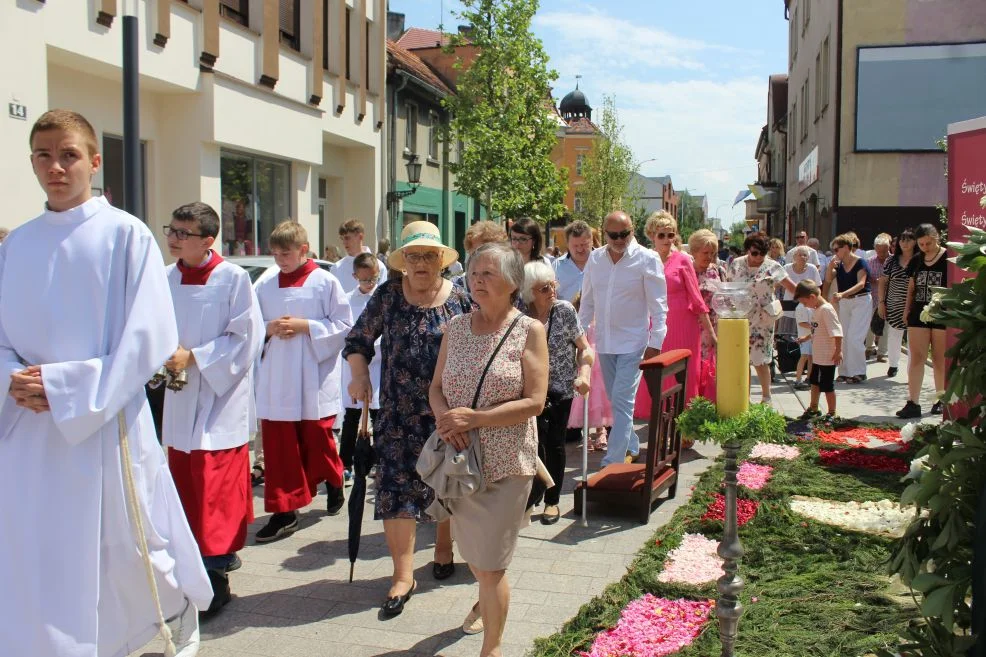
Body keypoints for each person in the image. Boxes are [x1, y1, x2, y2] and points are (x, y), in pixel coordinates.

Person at [1, 109, 211, 656]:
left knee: (128, 550)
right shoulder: (16, 244)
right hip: (31, 431)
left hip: (104, 421)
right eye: (44, 155)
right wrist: (11, 380)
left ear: (94, 161)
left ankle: (153, 630)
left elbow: (148, 336)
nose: (56, 166)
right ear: (31, 163)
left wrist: (66, 388)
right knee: (37, 551)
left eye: (68, 154)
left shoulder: (125, 235)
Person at [343, 221, 471, 613]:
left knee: (446, 481)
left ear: (440, 260)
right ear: (402, 263)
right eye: (413, 256)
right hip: (397, 413)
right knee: (396, 491)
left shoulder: (460, 300)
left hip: (445, 412)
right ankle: (402, 574)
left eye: (428, 256)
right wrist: (360, 375)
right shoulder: (388, 296)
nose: (421, 263)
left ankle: (445, 548)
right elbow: (358, 340)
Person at [429, 242, 548, 653]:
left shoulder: (529, 330)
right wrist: (446, 420)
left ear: (513, 282)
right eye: (474, 273)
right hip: (461, 464)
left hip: (506, 464)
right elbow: (435, 388)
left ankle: (492, 648)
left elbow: (535, 401)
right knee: (479, 560)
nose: (477, 281)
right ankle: (486, 600)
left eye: (488, 274)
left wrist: (473, 419)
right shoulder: (456, 328)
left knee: (491, 566)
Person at [161, 201, 264, 616]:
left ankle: (216, 575)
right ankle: (193, 568)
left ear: (207, 240)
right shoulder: (165, 277)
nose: (173, 238)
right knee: (184, 486)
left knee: (214, 491)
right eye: (171, 229)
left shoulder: (232, 278)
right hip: (179, 395)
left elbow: (245, 338)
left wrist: (196, 357)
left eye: (183, 233)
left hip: (220, 402)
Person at [253, 221, 352, 542]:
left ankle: (334, 479)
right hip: (278, 377)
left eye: (286, 253)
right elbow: (249, 324)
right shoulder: (265, 284)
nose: (280, 259)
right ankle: (285, 510)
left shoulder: (325, 282)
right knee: (280, 446)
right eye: (276, 254)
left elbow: (343, 323)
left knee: (318, 440)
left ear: (303, 250)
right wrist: (268, 329)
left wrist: (305, 325)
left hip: (313, 374)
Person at [579, 211, 668, 467]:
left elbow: (659, 305)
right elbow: (587, 303)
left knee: (621, 399)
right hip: (605, 342)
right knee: (616, 400)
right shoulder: (595, 259)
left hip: (634, 342)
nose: (619, 239)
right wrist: (580, 335)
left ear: (633, 230)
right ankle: (630, 444)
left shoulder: (647, 259)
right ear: (603, 232)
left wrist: (656, 342)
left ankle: (613, 461)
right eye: (613, 235)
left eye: (625, 234)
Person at [522, 261, 592, 524]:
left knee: (554, 444)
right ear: (529, 291)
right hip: (528, 391)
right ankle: (532, 494)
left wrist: (584, 374)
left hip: (560, 389)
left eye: (553, 284)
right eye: (543, 288)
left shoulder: (563, 311)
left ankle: (552, 501)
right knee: (530, 445)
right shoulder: (520, 313)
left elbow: (585, 349)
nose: (551, 290)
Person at [636, 211, 713, 421]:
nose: (667, 240)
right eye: (662, 235)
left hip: (684, 326)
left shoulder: (683, 260)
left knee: (685, 375)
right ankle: (662, 422)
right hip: (656, 325)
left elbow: (697, 299)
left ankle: (685, 425)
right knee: (657, 373)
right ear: (652, 235)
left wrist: (711, 334)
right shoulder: (644, 259)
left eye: (671, 235)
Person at [727, 233, 796, 404]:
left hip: (763, 320)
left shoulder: (772, 266)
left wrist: (813, 301)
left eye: (762, 254)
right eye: (754, 253)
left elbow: (792, 287)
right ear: (747, 250)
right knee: (742, 360)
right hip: (740, 318)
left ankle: (766, 398)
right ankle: (745, 398)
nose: (758, 257)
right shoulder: (736, 264)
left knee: (761, 359)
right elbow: (728, 288)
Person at [897, 223, 948, 418]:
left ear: (937, 238)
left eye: (929, 243)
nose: (926, 247)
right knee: (916, 358)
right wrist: (906, 310)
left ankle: (940, 399)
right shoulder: (916, 260)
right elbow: (911, 288)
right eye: (922, 244)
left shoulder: (947, 258)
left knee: (938, 359)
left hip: (943, 313)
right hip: (918, 313)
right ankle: (913, 402)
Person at [339, 252, 382, 485]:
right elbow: (347, 331)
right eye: (365, 280)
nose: (369, 284)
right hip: (355, 365)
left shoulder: (383, 299)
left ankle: (378, 461)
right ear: (355, 276)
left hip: (378, 362)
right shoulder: (347, 300)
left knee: (378, 413)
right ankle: (344, 463)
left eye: (373, 278)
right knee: (352, 414)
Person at [822, 233, 871, 385]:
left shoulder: (861, 262)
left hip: (861, 301)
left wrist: (843, 293)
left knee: (855, 337)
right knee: (843, 337)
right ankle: (844, 371)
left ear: (846, 248)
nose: (835, 252)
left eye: (837, 249)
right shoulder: (840, 265)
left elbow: (861, 284)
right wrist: (830, 267)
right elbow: (829, 279)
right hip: (845, 303)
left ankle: (859, 372)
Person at [795, 280, 843, 418]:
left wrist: (838, 350)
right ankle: (814, 408)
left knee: (827, 386)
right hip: (817, 356)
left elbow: (837, 332)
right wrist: (807, 338)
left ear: (812, 297)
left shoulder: (826, 310)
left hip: (827, 356)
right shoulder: (817, 310)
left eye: (804, 303)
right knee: (814, 382)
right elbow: (818, 329)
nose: (805, 306)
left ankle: (832, 412)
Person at [689, 229, 727, 402]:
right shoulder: (687, 271)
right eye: (705, 253)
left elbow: (726, 296)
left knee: (713, 368)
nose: (709, 257)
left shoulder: (718, 270)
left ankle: (711, 404)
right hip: (694, 328)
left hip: (716, 325)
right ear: (694, 251)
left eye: (712, 253)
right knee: (696, 367)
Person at [878, 228, 916, 379]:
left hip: (914, 303)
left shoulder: (920, 259)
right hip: (894, 302)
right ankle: (893, 364)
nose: (905, 243)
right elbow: (883, 282)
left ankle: (913, 368)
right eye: (902, 239)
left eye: (908, 239)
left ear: (915, 241)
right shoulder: (891, 260)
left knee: (914, 337)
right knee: (894, 334)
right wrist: (881, 302)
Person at [453, 220, 509, 293]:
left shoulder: (511, 287)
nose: (483, 258)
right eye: (477, 253)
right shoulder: (454, 288)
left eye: (489, 252)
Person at [336, 219, 388, 294]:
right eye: (342, 238)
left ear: (360, 237)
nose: (344, 242)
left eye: (347, 238)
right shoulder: (337, 268)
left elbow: (383, 296)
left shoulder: (379, 266)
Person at [865, 233, 892, 362]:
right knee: (869, 324)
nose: (881, 253)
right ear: (875, 249)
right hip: (872, 297)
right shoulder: (869, 262)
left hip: (888, 298)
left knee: (886, 325)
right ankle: (869, 348)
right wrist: (873, 280)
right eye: (879, 250)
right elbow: (864, 278)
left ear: (889, 248)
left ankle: (882, 353)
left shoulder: (893, 261)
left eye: (884, 250)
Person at [553, 220, 593, 303]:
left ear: (591, 241)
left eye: (584, 244)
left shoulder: (604, 261)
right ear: (567, 244)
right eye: (575, 246)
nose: (580, 249)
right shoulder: (557, 266)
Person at [793, 300, 814, 390]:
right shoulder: (801, 307)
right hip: (804, 335)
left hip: (811, 336)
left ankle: (809, 378)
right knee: (804, 356)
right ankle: (798, 379)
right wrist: (815, 327)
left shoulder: (810, 305)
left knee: (811, 357)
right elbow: (801, 322)